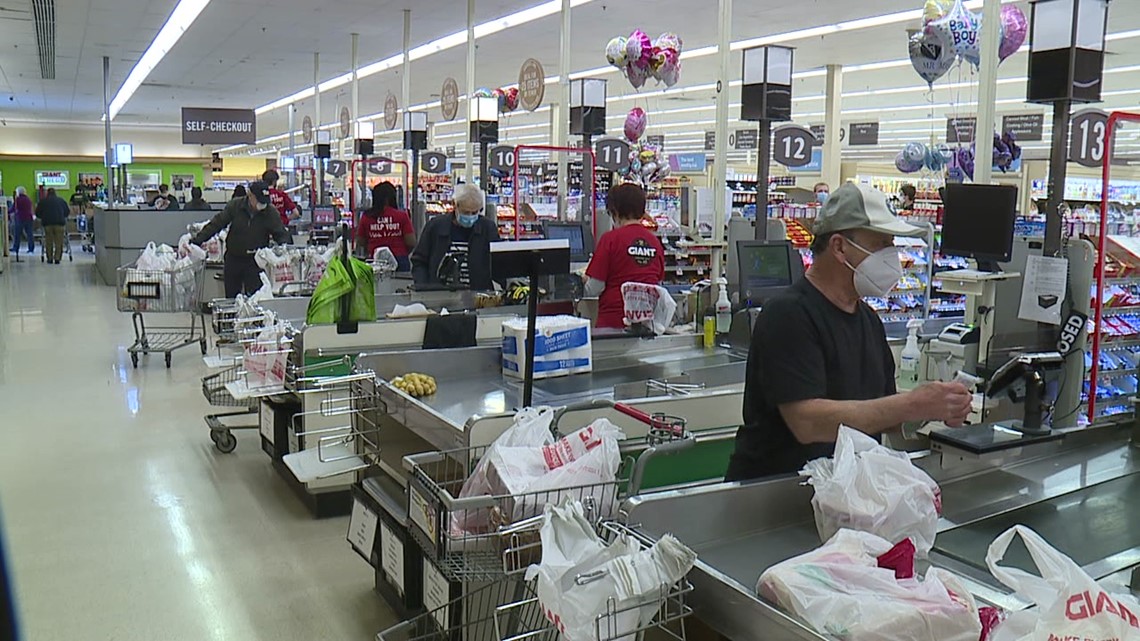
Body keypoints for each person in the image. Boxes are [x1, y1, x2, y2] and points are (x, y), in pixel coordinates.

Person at [725, 183, 972, 482]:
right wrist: (912, 404)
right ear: (840, 247)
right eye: (882, 243)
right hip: (775, 501)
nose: (891, 257)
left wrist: (933, 406)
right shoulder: (788, 314)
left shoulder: (868, 320)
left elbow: (878, 409)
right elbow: (808, 423)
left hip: (844, 496)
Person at [583, 184, 665, 330]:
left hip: (612, 326)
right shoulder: (655, 242)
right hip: (646, 328)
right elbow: (656, 284)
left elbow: (593, 289)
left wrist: (582, 281)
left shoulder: (610, 240)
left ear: (615, 211)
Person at [191, 181, 290, 298]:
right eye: (259, 200)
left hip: (256, 261)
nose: (262, 205)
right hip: (234, 258)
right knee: (232, 297)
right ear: (250, 195)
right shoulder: (236, 206)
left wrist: (285, 249)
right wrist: (198, 240)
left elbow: (280, 233)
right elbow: (217, 224)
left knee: (256, 297)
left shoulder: (270, 212)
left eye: (264, 202)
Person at [411, 183, 499, 289]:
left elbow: (498, 264)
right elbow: (419, 260)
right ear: (455, 205)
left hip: (477, 295)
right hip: (439, 294)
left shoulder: (488, 229)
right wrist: (424, 287)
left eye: (475, 212)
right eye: (466, 212)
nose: (470, 217)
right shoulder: (435, 226)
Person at [356, 181, 415, 271]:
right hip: (400, 258)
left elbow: (360, 241)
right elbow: (411, 242)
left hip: (375, 260)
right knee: (400, 284)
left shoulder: (367, 216)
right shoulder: (401, 215)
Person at [35, 187, 70, 264]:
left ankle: (49, 258)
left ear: (47, 193)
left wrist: (43, 217)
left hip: (47, 224)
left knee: (48, 241)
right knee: (59, 242)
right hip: (59, 223)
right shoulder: (61, 201)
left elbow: (37, 213)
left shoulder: (43, 201)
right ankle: (57, 258)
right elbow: (67, 212)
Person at [9, 186, 34, 254]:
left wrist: (7, 212)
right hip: (29, 218)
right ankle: (31, 248)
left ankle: (16, 248)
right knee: (29, 234)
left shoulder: (18, 199)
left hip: (20, 218)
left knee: (17, 234)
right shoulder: (28, 199)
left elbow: (13, 208)